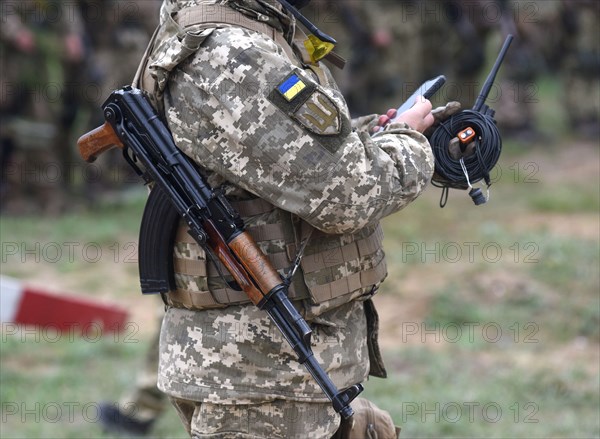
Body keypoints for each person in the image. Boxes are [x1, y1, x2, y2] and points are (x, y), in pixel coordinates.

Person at [133, 0, 453, 437]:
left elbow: (271, 163)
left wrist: (369, 138)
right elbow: (346, 194)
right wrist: (411, 143)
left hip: (279, 369)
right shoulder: (230, 50)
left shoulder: (244, 25)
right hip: (262, 376)